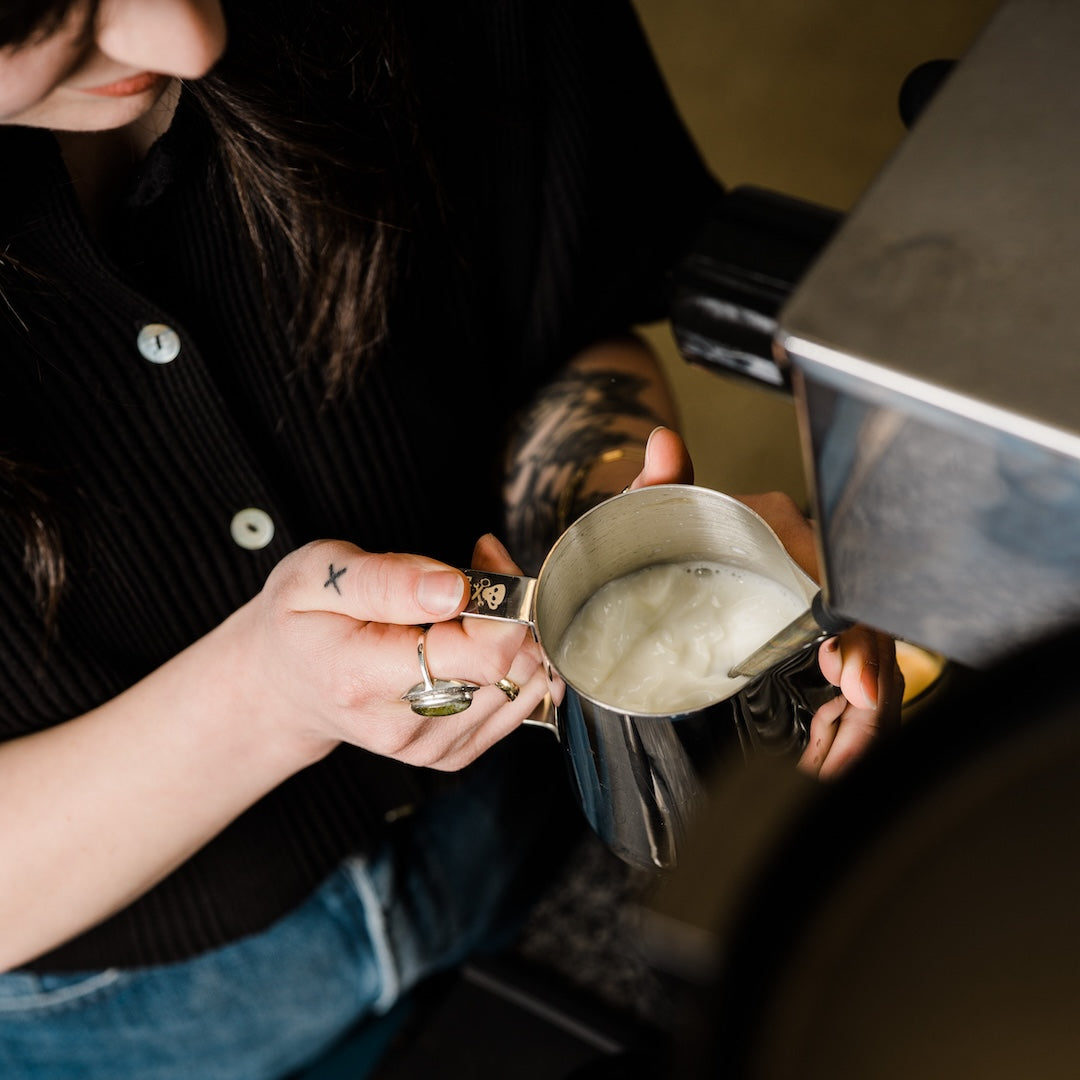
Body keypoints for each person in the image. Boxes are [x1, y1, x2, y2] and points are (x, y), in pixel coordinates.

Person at [0, 0, 902, 1075]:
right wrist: (263, 700)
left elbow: (561, 319)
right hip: (137, 1023)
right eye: (51, 16)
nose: (188, 41)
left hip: (528, 833)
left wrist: (620, 547)